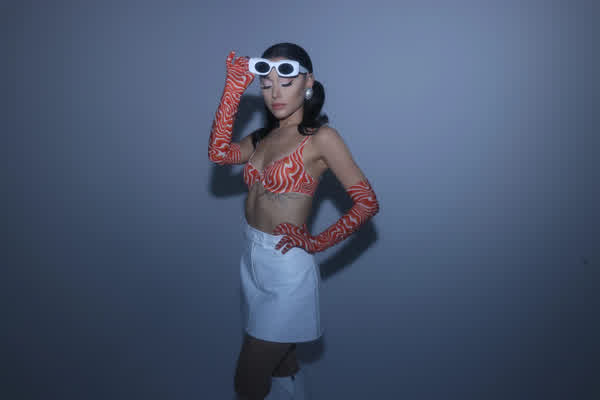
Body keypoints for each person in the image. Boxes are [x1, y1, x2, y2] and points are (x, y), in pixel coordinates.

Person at [208, 42, 380, 400]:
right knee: (283, 364)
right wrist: (233, 89)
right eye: (266, 84)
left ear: (308, 82)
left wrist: (317, 242)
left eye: (285, 82)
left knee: (248, 378)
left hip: (286, 269)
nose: (275, 93)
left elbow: (367, 202)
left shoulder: (322, 138)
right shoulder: (263, 137)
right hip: (252, 260)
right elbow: (218, 153)